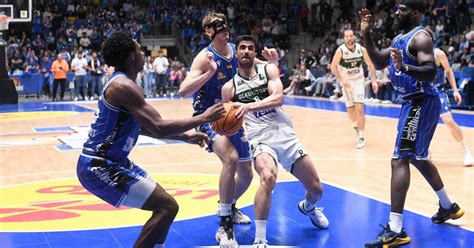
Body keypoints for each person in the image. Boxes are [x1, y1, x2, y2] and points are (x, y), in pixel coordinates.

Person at [76, 32, 225, 248]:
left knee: (166, 207)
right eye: (138, 49)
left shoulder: (124, 84)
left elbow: (144, 128)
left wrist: (185, 137)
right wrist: (204, 117)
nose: (142, 54)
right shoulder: (122, 87)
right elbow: (158, 126)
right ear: (129, 57)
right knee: (167, 207)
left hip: (112, 162)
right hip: (98, 165)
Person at [359, 2, 465, 247]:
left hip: (421, 100)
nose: (397, 12)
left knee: (400, 159)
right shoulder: (399, 39)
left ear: (415, 13)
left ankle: (395, 229)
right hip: (411, 102)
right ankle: (448, 206)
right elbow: (377, 61)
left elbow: (430, 71)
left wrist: (404, 67)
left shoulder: (420, 38)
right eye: (396, 8)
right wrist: (366, 32)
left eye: (403, 9)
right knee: (416, 157)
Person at [179, 12, 277, 247]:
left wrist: (272, 63)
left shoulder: (237, 50)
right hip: (209, 116)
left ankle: (228, 206)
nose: (224, 28)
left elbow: (262, 67)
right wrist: (209, 73)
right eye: (217, 25)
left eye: (225, 24)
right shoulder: (204, 57)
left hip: (234, 116)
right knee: (230, 159)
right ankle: (224, 227)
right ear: (208, 32)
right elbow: (183, 90)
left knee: (246, 175)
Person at [222, 35, 329, 247]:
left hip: (284, 134)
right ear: (236, 54)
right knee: (268, 177)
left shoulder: (268, 70)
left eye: (250, 48)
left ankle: (308, 207)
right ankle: (260, 239)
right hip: (259, 138)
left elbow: (278, 98)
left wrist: (248, 106)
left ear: (255, 53)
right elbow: (228, 119)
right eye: (241, 48)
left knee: (316, 189)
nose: (245, 51)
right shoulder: (229, 87)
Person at [425, 27, 473, 167]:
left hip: (438, 90)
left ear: (430, 39)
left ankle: (465, 150)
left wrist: (455, 90)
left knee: (448, 120)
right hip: (425, 92)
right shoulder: (416, 55)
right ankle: (426, 150)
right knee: (425, 124)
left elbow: (449, 71)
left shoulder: (438, 54)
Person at [330, 28, 378, 149]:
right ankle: (357, 127)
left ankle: (361, 138)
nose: (349, 38)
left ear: (354, 37)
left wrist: (373, 80)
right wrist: (342, 79)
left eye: (351, 36)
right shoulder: (340, 50)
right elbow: (333, 67)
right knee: (351, 114)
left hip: (358, 81)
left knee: (359, 109)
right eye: (347, 36)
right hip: (346, 83)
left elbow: (371, 65)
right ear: (344, 38)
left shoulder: (361, 50)